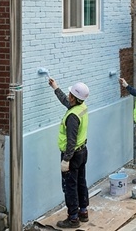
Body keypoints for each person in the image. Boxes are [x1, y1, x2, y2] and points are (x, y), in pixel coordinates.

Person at [49, 78, 90, 228]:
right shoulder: (81, 107)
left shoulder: (72, 117)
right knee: (80, 182)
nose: (68, 95)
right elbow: (66, 102)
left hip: (72, 155)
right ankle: (83, 212)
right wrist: (55, 88)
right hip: (82, 152)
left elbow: (71, 141)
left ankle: (73, 218)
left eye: (70, 94)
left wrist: (66, 160)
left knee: (70, 186)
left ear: (74, 97)